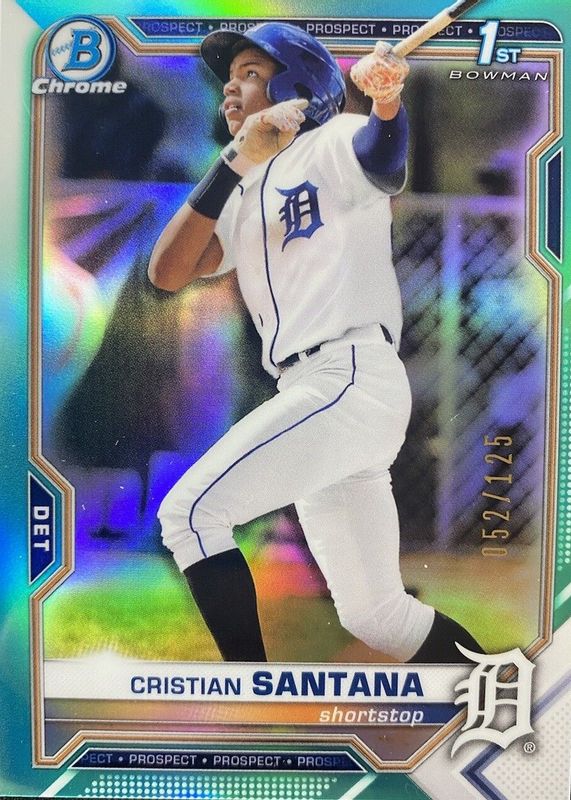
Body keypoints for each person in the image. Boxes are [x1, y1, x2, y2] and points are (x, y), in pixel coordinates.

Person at [149, 23, 483, 664]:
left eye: (251, 72)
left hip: (347, 374)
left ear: (296, 86)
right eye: (230, 77)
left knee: (190, 514)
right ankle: (495, 695)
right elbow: (167, 271)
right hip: (318, 390)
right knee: (378, 616)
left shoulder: (330, 141)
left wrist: (387, 102)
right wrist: (234, 160)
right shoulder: (243, 185)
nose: (230, 88)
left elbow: (382, 157)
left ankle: (251, 694)